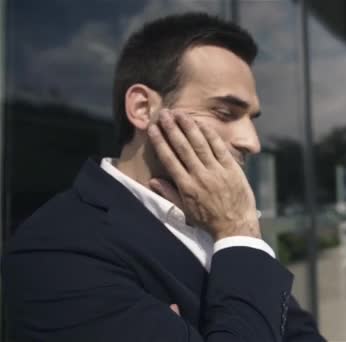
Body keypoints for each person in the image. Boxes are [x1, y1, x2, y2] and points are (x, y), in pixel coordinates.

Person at [2, 12, 325, 342]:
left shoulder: (214, 225)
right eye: (225, 112)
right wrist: (238, 229)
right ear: (143, 108)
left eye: (251, 118)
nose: (252, 142)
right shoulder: (56, 251)